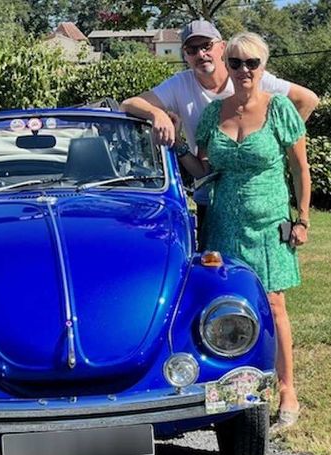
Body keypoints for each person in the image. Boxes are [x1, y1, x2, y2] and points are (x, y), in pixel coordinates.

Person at [176, 31, 310, 431]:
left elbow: (300, 168)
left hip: (268, 225)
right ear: (227, 65)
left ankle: (287, 390)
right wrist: (177, 146)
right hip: (223, 224)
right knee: (224, 304)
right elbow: (202, 169)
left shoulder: (279, 109)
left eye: (252, 63)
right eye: (235, 63)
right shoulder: (214, 113)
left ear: (263, 66)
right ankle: (232, 397)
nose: (244, 70)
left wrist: (302, 218)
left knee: (274, 304)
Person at [120, 20, 318, 231]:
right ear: (185, 55)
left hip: (266, 204)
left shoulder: (248, 73)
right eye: (192, 49)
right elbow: (129, 104)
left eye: (206, 46)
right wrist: (157, 113)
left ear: (222, 47)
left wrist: (274, 143)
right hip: (212, 201)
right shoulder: (180, 84)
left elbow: (307, 100)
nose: (201, 54)